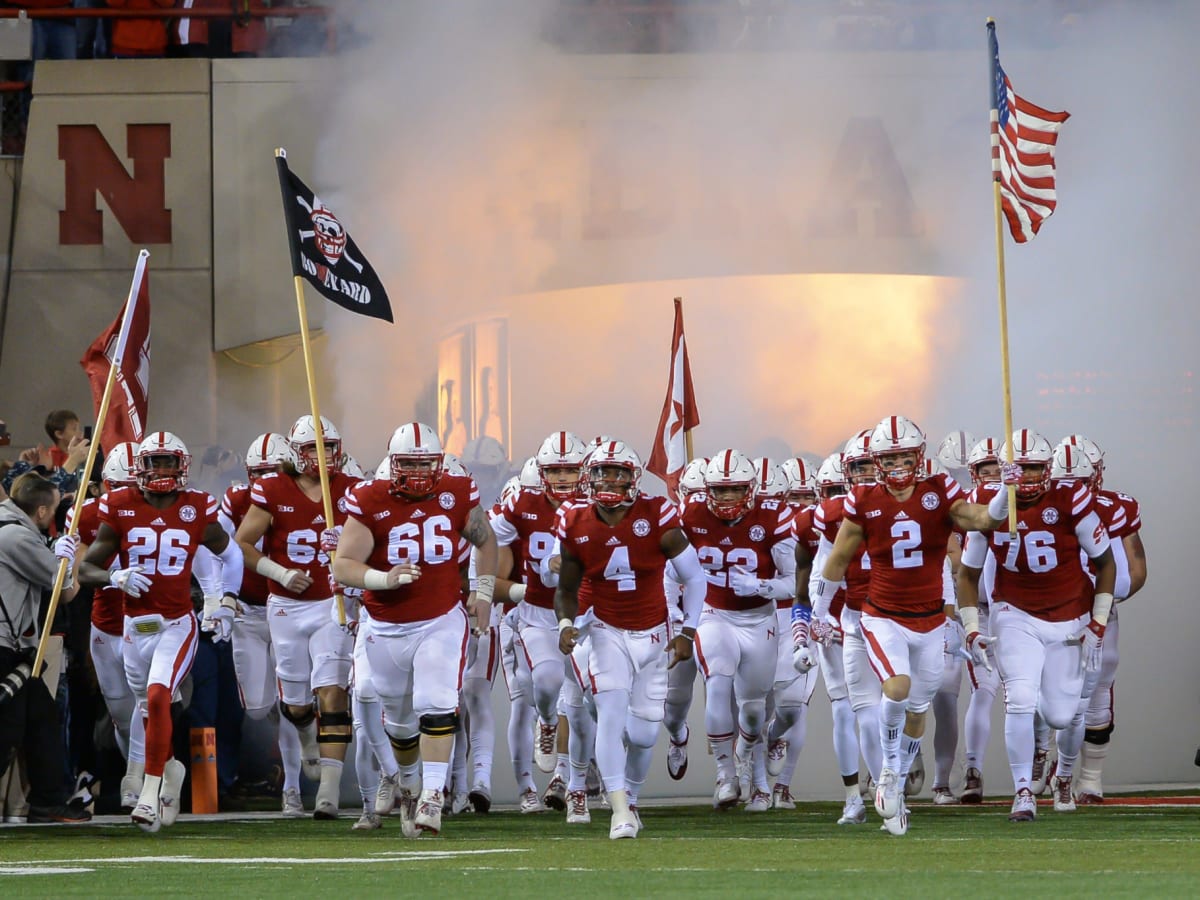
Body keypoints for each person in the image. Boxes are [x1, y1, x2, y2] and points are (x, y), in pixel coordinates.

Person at [815, 415, 1017, 836]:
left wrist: (1003, 493)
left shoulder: (938, 490)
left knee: (918, 712)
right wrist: (819, 612)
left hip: (929, 621)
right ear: (877, 461)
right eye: (890, 458)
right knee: (897, 688)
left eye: (905, 455)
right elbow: (836, 559)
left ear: (918, 455)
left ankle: (897, 784)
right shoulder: (863, 500)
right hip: (881, 614)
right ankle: (889, 773)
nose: (899, 465)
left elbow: (985, 520)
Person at [332, 421, 498, 838]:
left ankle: (432, 797)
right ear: (393, 462)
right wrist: (383, 579)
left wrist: (482, 592)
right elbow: (343, 564)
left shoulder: (457, 491)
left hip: (441, 618)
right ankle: (409, 783)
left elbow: (487, 541)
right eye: (410, 464)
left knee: (435, 701)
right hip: (385, 626)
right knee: (401, 724)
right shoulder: (369, 498)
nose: (420, 473)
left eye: (427, 464)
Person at [79, 432, 245, 831]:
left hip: (176, 623)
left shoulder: (195, 507)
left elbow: (231, 553)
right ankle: (170, 770)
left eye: (169, 463)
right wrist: (114, 576)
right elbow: (86, 569)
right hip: (135, 627)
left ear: (183, 466)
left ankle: (149, 796)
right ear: (141, 468)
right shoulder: (119, 507)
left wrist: (225, 600)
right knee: (151, 712)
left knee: (158, 697)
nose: (162, 471)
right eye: (155, 463)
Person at [956, 429, 1116, 822]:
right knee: (1020, 699)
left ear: (1047, 468)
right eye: (1019, 469)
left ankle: (1064, 773)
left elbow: (1106, 564)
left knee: (1062, 715)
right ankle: (1023, 790)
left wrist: (1097, 621)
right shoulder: (987, 503)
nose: (1026, 477)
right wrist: (972, 626)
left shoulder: (1070, 497)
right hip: (1016, 613)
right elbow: (968, 574)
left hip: (1070, 616)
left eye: (1033, 469)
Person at [554, 440, 707, 839]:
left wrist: (688, 630)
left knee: (643, 734)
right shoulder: (575, 520)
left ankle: (632, 797)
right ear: (589, 478)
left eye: (618, 473)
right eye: (602, 472)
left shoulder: (656, 515)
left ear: (633, 479)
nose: (609, 480)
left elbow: (693, 577)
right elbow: (566, 587)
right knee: (609, 713)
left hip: (655, 635)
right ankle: (619, 807)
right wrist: (566, 623)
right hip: (607, 630)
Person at [234, 414, 358, 820]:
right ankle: (306, 737)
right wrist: (280, 571)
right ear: (296, 453)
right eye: (312, 449)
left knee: (333, 693)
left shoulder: (352, 490)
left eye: (329, 447)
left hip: (331, 603)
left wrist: (348, 547)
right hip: (286, 605)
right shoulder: (273, 489)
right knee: (298, 703)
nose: (323, 457)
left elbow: (376, 540)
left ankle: (329, 789)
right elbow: (243, 544)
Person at [681, 449, 794, 813]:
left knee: (753, 710)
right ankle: (725, 773)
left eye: (734, 490)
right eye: (719, 490)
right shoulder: (691, 514)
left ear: (751, 489)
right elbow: (670, 569)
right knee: (717, 681)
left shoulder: (773, 517)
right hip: (713, 613)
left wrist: (763, 586)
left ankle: (745, 752)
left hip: (759, 619)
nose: (726, 498)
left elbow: (796, 582)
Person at [490, 431, 588, 810]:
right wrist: (479, 590)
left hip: (587, 612)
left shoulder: (600, 501)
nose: (563, 477)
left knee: (582, 703)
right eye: (554, 469)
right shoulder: (521, 503)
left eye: (569, 469)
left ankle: (571, 779)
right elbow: (481, 540)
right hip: (535, 612)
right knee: (544, 686)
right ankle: (544, 731)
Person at [217, 432, 308, 817]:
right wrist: (220, 596)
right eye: (259, 473)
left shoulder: (308, 496)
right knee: (257, 707)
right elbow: (215, 551)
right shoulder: (238, 500)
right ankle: (292, 709)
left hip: (291, 608)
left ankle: (292, 787)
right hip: (250, 611)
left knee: (290, 700)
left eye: (274, 471)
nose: (266, 480)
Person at [0, 472, 89, 823]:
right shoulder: (17, 537)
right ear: (39, 511)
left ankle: (48, 799)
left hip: (15, 645)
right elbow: (65, 590)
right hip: (5, 645)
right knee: (8, 729)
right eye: (53, 510)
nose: (54, 517)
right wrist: (73, 555)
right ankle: (48, 799)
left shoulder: (10, 528)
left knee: (42, 719)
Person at [68, 442, 145, 808]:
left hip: (150, 622)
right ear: (103, 486)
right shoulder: (85, 514)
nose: (128, 495)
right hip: (106, 621)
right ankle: (132, 774)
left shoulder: (164, 508)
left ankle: (143, 779)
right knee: (120, 713)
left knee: (151, 704)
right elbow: (77, 577)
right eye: (120, 487)